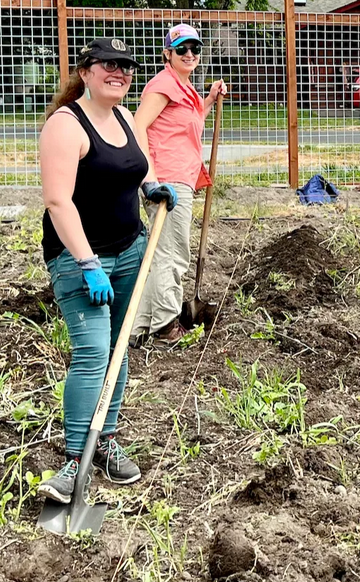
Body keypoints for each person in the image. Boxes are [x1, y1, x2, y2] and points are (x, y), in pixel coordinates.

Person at [37, 39, 177, 503]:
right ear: (87, 71)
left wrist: (152, 185)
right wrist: (87, 263)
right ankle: (75, 459)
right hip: (80, 259)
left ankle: (106, 441)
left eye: (126, 67)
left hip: (130, 249)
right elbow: (57, 201)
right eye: (109, 66)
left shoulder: (121, 116)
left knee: (119, 350)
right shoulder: (65, 125)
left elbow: (136, 164)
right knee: (94, 353)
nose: (119, 73)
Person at [130, 23, 226, 347]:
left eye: (195, 49)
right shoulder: (163, 85)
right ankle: (166, 326)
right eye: (182, 48)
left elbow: (191, 120)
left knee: (163, 253)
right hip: (166, 183)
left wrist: (210, 100)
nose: (189, 54)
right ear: (167, 53)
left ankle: (139, 326)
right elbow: (138, 126)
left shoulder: (184, 88)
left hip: (181, 179)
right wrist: (150, 180)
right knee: (171, 254)